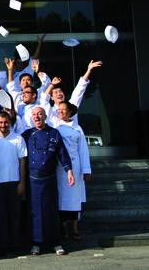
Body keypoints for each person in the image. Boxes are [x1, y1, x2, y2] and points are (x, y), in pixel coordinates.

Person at [22, 106, 74, 256]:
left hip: (50, 179)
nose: (37, 117)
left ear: (45, 116)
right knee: (35, 212)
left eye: (40, 114)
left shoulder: (54, 133)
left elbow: (62, 153)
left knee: (51, 211)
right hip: (32, 181)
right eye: (34, 115)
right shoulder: (26, 134)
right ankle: (36, 243)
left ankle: (55, 242)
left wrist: (69, 171)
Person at [0, 111, 27, 257]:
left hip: (14, 182)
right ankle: (3, 245)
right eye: (0, 122)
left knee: (15, 215)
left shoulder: (18, 139)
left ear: (10, 122)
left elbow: (22, 161)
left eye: (6, 122)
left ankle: (15, 244)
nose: (3, 125)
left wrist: (22, 183)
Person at [55, 102, 92, 240]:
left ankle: (75, 228)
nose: (61, 112)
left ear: (70, 112)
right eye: (59, 110)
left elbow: (83, 150)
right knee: (62, 198)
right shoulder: (55, 127)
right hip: (60, 168)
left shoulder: (77, 128)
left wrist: (86, 169)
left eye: (64, 110)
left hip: (75, 166)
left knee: (75, 198)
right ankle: (64, 229)